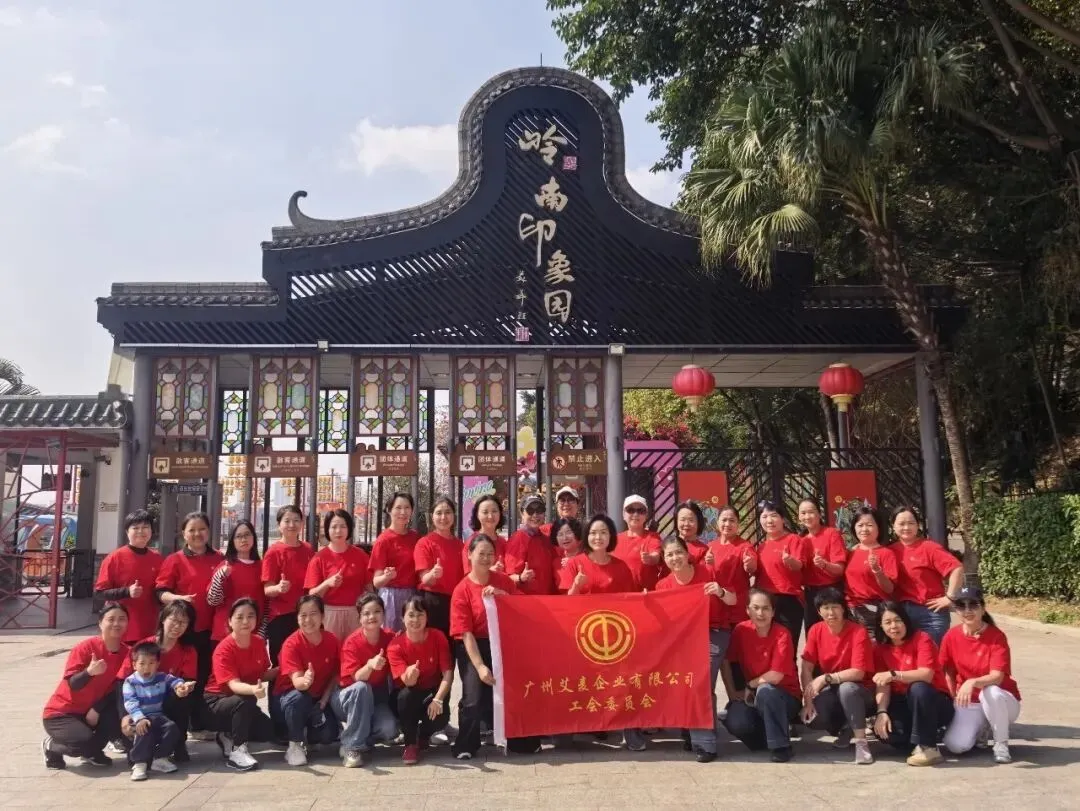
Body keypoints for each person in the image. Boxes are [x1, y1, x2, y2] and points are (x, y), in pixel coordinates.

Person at [450, 534, 533, 759]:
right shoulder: (462, 590)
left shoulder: (504, 581)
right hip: (473, 646)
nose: (486, 558)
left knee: (511, 691)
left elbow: (523, 608)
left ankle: (516, 738)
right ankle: (466, 743)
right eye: (481, 553)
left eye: (490, 554)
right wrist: (479, 667)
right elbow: (465, 633)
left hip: (501, 643)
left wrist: (502, 596)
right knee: (473, 696)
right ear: (469, 555)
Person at [656, 536, 738, 762]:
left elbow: (733, 600)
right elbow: (662, 620)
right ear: (664, 559)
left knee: (700, 682)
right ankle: (691, 728)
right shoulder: (663, 586)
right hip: (683, 639)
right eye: (669, 554)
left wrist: (720, 592)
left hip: (713, 633)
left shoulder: (709, 572)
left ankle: (705, 744)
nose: (675, 558)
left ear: (687, 553)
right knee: (684, 681)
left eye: (678, 552)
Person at [155, 510, 223, 732]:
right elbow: (160, 592)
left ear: (209, 531)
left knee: (205, 676)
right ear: (183, 533)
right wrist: (178, 598)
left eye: (202, 529)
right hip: (183, 630)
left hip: (211, 630)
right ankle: (176, 723)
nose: (197, 534)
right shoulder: (175, 560)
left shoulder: (219, 559)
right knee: (182, 677)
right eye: (192, 530)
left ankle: (200, 721)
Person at [939, 587, 1022, 764]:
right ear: (956, 610)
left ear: (983, 609)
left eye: (973, 605)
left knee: (990, 691)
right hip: (970, 701)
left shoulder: (996, 636)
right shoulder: (951, 636)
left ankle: (1001, 743)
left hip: (1003, 701)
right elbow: (948, 672)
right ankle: (982, 727)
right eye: (961, 606)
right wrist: (953, 697)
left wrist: (972, 682)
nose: (967, 610)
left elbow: (997, 677)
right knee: (955, 745)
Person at [42, 603, 130, 770]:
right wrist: (89, 672)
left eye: (122, 619)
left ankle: (92, 751)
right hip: (62, 714)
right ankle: (52, 746)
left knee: (116, 717)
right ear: (100, 623)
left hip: (91, 711)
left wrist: (97, 708)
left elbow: (120, 689)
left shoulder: (127, 653)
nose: (116, 623)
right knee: (82, 743)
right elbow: (73, 684)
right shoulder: (85, 648)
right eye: (111, 619)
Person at [722, 589, 802, 762]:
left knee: (766, 690)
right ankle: (768, 739)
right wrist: (731, 691)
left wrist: (750, 685)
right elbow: (726, 660)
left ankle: (781, 747)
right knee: (736, 721)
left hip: (784, 696)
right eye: (755, 608)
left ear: (773, 612)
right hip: (754, 695)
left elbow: (776, 676)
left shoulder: (782, 634)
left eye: (766, 608)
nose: (760, 613)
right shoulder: (741, 630)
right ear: (747, 610)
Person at [871, 601, 954, 766]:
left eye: (898, 620)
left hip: (932, 700)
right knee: (888, 734)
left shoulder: (922, 638)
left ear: (906, 621)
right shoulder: (880, 648)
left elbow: (926, 675)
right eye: (888, 622)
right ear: (880, 625)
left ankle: (929, 747)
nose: (893, 626)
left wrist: (894, 674)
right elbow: (882, 684)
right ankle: (922, 738)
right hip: (904, 702)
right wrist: (881, 712)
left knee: (918, 687)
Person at [799, 587, 875, 765]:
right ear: (819, 611)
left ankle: (862, 744)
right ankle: (846, 728)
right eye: (825, 608)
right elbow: (806, 667)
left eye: (835, 607)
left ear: (843, 609)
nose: (831, 613)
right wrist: (808, 701)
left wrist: (825, 678)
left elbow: (858, 672)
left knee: (847, 689)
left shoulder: (858, 631)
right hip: (834, 689)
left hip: (862, 690)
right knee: (813, 718)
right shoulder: (816, 630)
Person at [119, 600, 199, 762]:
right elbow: (122, 681)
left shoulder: (188, 651)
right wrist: (124, 716)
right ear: (163, 619)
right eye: (173, 620)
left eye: (183, 622)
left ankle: (178, 744)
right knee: (134, 758)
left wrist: (183, 688)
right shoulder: (143, 647)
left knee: (184, 701)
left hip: (168, 700)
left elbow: (186, 680)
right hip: (141, 703)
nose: (177, 626)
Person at [203, 597, 275, 771]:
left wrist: (286, 670)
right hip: (216, 702)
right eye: (240, 617)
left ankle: (227, 734)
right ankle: (237, 751)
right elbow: (233, 685)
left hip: (241, 700)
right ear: (230, 621)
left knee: (267, 731)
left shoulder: (258, 642)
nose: (245, 621)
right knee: (245, 700)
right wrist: (253, 689)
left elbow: (262, 674)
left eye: (250, 616)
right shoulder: (224, 649)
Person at [270, 595, 342, 766]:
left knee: (329, 735)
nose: (308, 620)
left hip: (316, 700)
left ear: (323, 616)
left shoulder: (332, 640)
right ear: (297, 618)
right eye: (303, 615)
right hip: (288, 699)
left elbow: (335, 674)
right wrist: (306, 680)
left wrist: (324, 700)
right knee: (299, 698)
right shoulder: (291, 644)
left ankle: (308, 734)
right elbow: (297, 683)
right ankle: (294, 744)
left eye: (313, 614)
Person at [387, 596, 454, 765]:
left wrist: (438, 699)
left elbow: (447, 673)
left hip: (432, 692)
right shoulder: (395, 645)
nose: (415, 620)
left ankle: (423, 736)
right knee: (405, 697)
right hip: (408, 693)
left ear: (427, 617)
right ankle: (410, 743)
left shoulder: (438, 636)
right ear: (402, 618)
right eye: (411, 615)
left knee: (441, 716)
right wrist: (410, 674)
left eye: (420, 614)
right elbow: (406, 682)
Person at [334, 593, 399, 767]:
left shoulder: (390, 637)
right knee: (362, 687)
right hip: (347, 698)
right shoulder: (352, 642)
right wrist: (370, 665)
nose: (372, 617)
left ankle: (360, 736)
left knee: (390, 729)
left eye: (377, 611)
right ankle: (351, 747)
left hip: (376, 699)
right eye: (366, 613)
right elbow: (355, 678)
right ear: (359, 618)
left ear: (383, 614)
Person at [121, 641, 195, 780]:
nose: (146, 667)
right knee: (144, 730)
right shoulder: (130, 682)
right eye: (142, 663)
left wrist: (182, 686)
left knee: (172, 728)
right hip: (139, 717)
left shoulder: (161, 677)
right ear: (134, 665)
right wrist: (140, 718)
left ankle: (160, 758)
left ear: (158, 664)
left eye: (151, 663)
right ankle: (140, 763)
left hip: (158, 716)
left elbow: (174, 681)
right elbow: (130, 702)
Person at [890, 506, 963, 645]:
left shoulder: (929, 548)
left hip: (930, 614)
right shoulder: (890, 551)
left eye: (911, 523)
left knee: (932, 654)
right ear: (893, 526)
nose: (906, 527)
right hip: (901, 614)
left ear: (918, 525)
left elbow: (956, 568)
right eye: (901, 523)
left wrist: (950, 597)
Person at [94, 509, 163, 645]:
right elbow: (100, 593)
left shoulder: (158, 559)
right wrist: (127, 591)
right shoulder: (114, 558)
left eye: (145, 527)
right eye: (135, 528)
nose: (140, 531)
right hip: (121, 629)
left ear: (151, 531)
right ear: (127, 531)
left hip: (150, 627)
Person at [752, 500, 812, 654]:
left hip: (789, 600)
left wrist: (790, 561)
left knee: (786, 649)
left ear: (782, 519)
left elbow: (799, 565)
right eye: (764, 517)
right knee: (767, 648)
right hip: (765, 602)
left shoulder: (793, 540)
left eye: (773, 516)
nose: (769, 520)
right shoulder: (762, 546)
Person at [305, 509, 372, 640]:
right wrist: (327, 583)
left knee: (355, 648)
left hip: (356, 612)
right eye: (334, 527)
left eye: (343, 526)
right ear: (327, 529)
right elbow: (311, 595)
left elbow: (369, 588)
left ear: (349, 529)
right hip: (329, 613)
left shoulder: (361, 555)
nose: (338, 531)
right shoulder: (319, 558)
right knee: (332, 649)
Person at [262, 505, 315, 665]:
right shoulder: (273, 552)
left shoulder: (308, 549)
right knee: (282, 662)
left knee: (305, 660)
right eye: (287, 521)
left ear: (302, 523)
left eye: (296, 520)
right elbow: (267, 589)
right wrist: (278, 588)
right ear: (279, 525)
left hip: (306, 613)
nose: (292, 525)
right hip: (281, 616)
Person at [369, 492, 421, 632]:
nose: (403, 512)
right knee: (391, 637)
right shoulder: (383, 540)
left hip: (413, 596)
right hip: (390, 597)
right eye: (398, 508)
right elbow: (376, 582)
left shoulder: (415, 537)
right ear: (389, 510)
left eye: (407, 507)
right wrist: (387, 577)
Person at [414, 496, 466, 637]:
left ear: (454, 515)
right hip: (433, 602)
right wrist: (433, 574)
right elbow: (424, 579)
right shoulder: (424, 543)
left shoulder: (460, 545)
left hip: (456, 601)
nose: (443, 517)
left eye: (448, 512)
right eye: (439, 513)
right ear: (432, 516)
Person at [207, 521, 265, 645]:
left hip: (253, 634)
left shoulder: (262, 567)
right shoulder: (225, 566)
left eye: (247, 534)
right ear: (232, 541)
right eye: (238, 536)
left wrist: (262, 631)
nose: (243, 539)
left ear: (253, 537)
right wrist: (220, 577)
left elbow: (267, 603)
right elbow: (212, 600)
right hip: (225, 634)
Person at [843, 506, 898, 635]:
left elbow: (889, 589)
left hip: (873, 611)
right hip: (849, 610)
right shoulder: (850, 552)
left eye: (869, 525)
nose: (864, 529)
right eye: (860, 525)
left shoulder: (886, 553)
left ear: (878, 527)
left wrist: (877, 571)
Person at [797, 500, 847, 634]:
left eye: (811, 512)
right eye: (803, 513)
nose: (807, 516)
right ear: (799, 517)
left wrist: (824, 565)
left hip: (831, 591)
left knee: (835, 633)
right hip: (810, 594)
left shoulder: (832, 534)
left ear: (819, 514)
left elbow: (840, 570)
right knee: (813, 633)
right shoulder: (801, 540)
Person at [563, 514, 636, 596]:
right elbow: (566, 601)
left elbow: (630, 599)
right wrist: (576, 586)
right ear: (586, 536)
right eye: (593, 533)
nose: (598, 537)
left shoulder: (621, 567)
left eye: (603, 532)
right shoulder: (574, 564)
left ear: (610, 536)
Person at [505, 494, 556, 595]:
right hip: (527, 601)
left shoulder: (545, 538)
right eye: (530, 510)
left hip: (547, 599)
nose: (535, 515)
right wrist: (521, 578)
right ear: (522, 513)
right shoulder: (517, 539)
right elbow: (508, 577)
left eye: (539, 510)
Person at [613, 495, 664, 591]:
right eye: (630, 510)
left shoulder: (652, 537)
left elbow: (656, 556)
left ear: (646, 515)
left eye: (640, 511)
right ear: (623, 515)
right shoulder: (615, 539)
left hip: (645, 595)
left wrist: (649, 558)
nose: (635, 514)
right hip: (621, 595)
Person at [461, 494, 508, 574]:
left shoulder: (503, 542)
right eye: (485, 512)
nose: (490, 516)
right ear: (477, 515)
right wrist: (488, 572)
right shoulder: (472, 542)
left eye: (494, 511)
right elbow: (468, 574)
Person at [549, 517, 584, 593]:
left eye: (569, 532)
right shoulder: (557, 563)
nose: (565, 538)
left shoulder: (589, 557)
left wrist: (573, 562)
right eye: (560, 534)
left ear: (577, 533)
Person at [674, 500, 711, 565]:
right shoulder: (668, 545)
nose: (686, 524)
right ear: (676, 521)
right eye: (682, 520)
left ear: (699, 522)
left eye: (691, 520)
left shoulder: (703, 550)